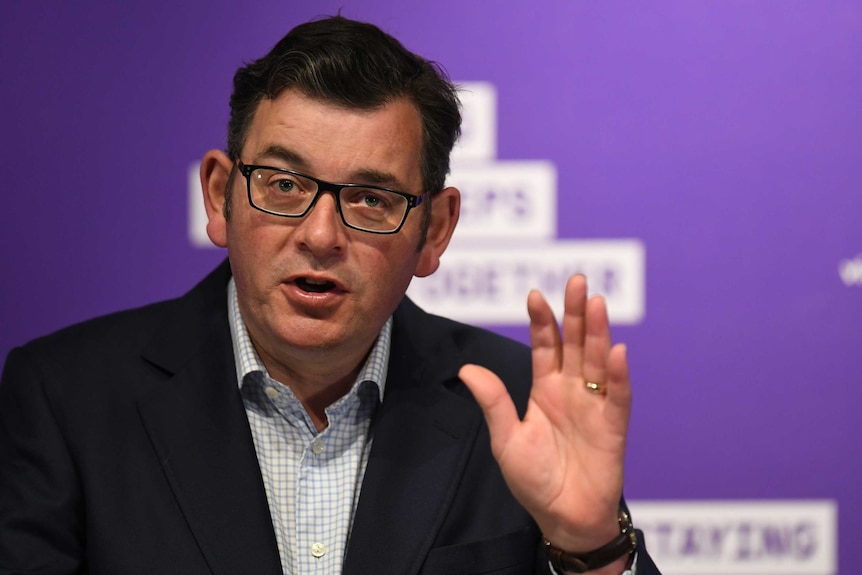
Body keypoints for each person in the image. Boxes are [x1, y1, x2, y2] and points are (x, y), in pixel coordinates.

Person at [0, 15, 660, 575]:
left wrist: (589, 548)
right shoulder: (66, 399)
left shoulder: (516, 408)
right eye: (284, 185)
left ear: (434, 231)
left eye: (371, 199)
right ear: (218, 196)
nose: (321, 235)